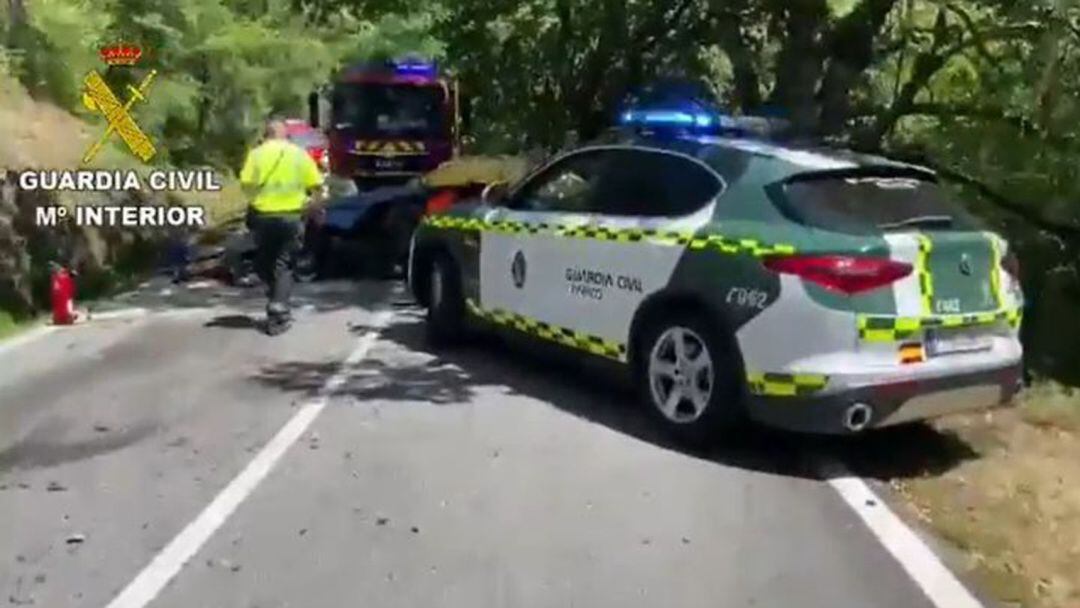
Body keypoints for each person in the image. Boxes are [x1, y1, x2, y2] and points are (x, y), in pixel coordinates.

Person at [239, 116, 324, 335]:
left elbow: (246, 184)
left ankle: (276, 299)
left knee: (264, 262)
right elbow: (316, 186)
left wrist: (257, 198)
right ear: (286, 135)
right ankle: (279, 308)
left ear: (265, 134)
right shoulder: (299, 154)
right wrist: (314, 210)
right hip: (292, 217)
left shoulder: (256, 154)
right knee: (284, 264)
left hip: (263, 217)